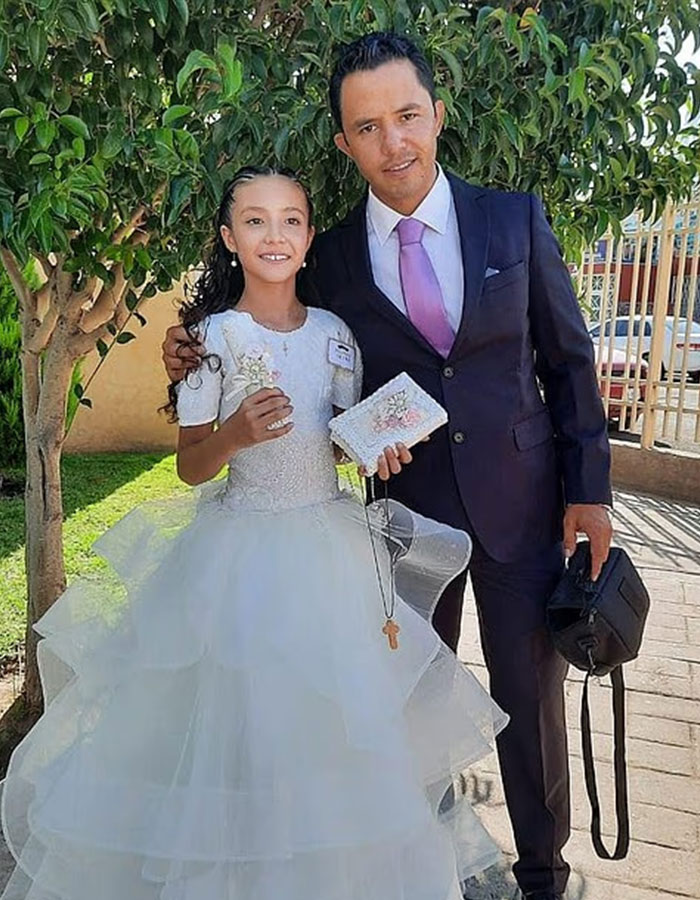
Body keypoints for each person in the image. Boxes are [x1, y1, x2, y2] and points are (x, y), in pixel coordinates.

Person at [162, 32, 614, 900]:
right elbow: (270, 328)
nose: (392, 141)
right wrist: (188, 351)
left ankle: (543, 875)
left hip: (524, 507)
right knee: (409, 700)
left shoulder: (513, 219)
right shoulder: (328, 256)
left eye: (407, 116)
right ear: (345, 142)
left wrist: (589, 492)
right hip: (401, 519)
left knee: (531, 700)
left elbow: (568, 362)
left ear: (437, 114)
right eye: (367, 127)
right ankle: (425, 867)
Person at [0, 166, 508, 900]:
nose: (275, 235)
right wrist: (235, 433)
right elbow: (190, 467)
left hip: (328, 549)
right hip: (240, 556)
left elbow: (336, 438)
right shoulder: (211, 340)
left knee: (328, 730)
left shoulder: (336, 335)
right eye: (256, 220)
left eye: (291, 220)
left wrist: (375, 446)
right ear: (229, 238)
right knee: (239, 727)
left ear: (310, 236)